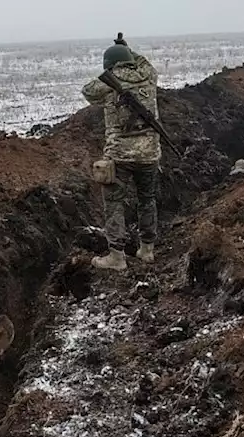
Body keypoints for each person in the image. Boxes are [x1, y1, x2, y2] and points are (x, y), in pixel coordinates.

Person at [81, 34, 161, 272]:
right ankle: (147, 250)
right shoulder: (150, 75)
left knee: (114, 203)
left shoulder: (108, 81)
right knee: (147, 199)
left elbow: (87, 92)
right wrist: (128, 50)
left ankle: (117, 256)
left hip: (119, 155)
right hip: (150, 153)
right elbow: (142, 61)